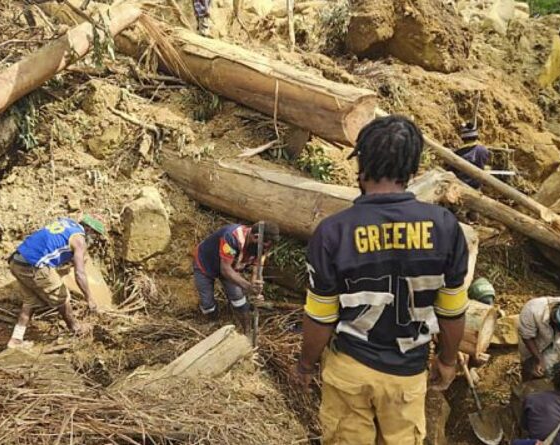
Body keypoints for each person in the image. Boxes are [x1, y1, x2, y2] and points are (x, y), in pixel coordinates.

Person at [292, 115, 470, 444]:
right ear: (413, 169)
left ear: (361, 165)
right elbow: (452, 311)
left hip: (350, 368)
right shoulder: (445, 227)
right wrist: (447, 360)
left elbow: (321, 316)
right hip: (407, 373)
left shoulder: (335, 232)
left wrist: (305, 365)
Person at [7, 214, 106, 349]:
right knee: (62, 297)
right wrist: (89, 298)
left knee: (30, 302)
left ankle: (16, 339)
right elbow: (80, 273)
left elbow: (52, 244)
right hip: (33, 265)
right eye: (95, 235)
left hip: (16, 261)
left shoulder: (67, 223)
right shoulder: (79, 241)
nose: (94, 240)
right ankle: (75, 328)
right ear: (89, 230)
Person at [193, 221, 279, 328]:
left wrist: (257, 290)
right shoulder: (231, 238)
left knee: (238, 298)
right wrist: (248, 286)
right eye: (265, 247)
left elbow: (257, 273)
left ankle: (247, 328)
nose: (266, 250)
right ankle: (214, 323)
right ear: (256, 237)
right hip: (205, 263)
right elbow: (225, 270)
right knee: (207, 303)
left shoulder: (262, 248)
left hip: (231, 267)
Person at [450, 122, 490, 189]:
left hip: (461, 186)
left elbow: (451, 170)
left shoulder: (459, 153)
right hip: (477, 186)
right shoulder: (484, 150)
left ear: (463, 138)